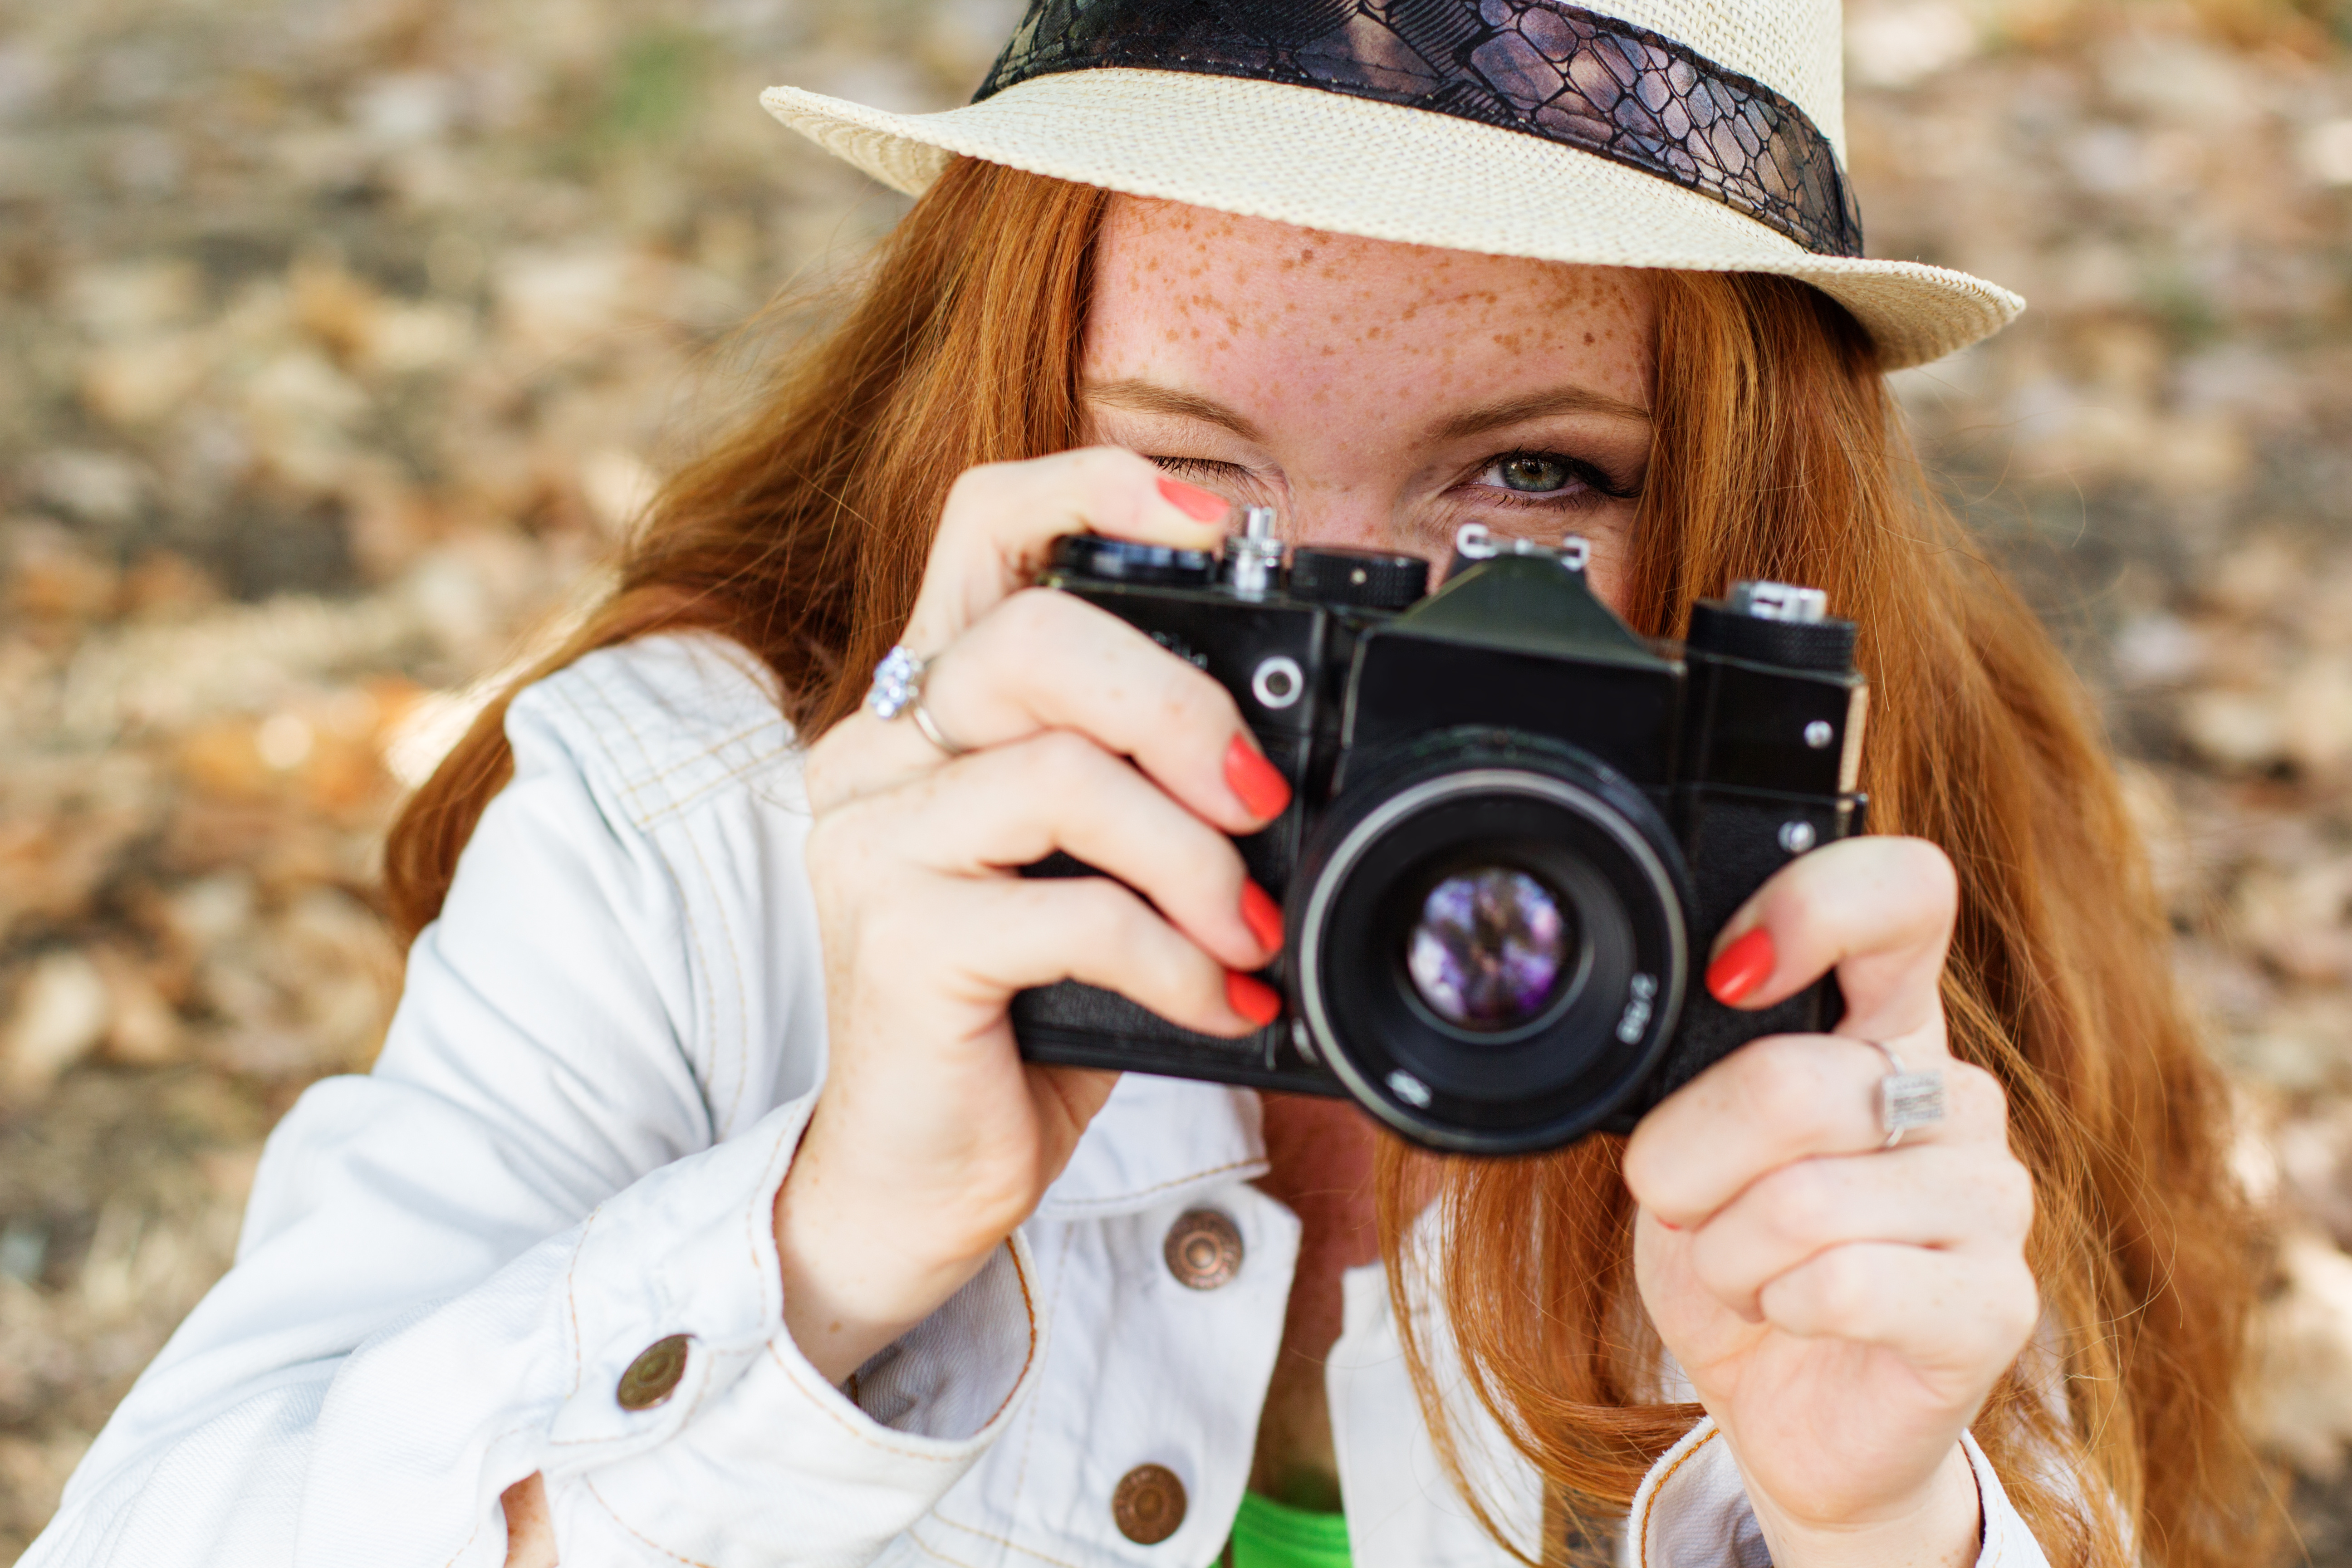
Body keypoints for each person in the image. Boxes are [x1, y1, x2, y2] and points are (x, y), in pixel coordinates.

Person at [24, 3, 2270, 1566]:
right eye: (1204, 487)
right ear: (1009, 435)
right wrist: (829, 1249)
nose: (1386, 640)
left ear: (1740, 524)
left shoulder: (1853, 904)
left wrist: (1871, 1524)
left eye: (1533, 482)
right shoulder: (705, 829)